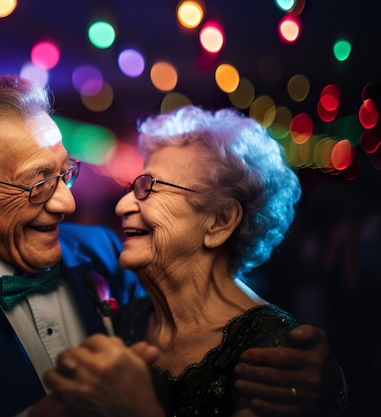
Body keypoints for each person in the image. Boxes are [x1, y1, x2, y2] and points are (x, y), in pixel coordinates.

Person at [0, 76, 344, 417]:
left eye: (65, 173)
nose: (66, 203)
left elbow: (212, 299)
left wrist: (326, 387)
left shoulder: (102, 252)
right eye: (36, 182)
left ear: (220, 221)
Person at [34, 105, 347, 417]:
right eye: (133, 187)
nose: (122, 205)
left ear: (219, 221)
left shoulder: (271, 350)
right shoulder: (129, 318)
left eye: (149, 188)